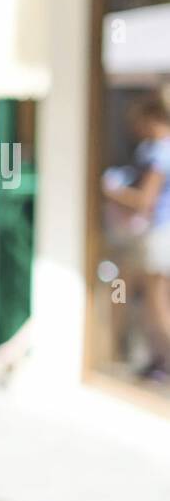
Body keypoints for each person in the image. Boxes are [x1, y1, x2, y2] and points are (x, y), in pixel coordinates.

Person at [102, 94, 170, 382]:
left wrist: (110, 190)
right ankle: (157, 359)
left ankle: (163, 358)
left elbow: (145, 201)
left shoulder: (160, 153)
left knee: (158, 300)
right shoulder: (152, 151)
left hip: (160, 234)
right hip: (156, 234)